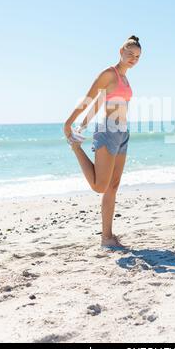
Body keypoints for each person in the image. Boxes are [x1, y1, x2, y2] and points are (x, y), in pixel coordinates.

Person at [64, 35, 141, 249]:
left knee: (113, 187)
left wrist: (83, 126)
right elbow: (89, 100)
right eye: (130, 54)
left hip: (123, 133)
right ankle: (76, 148)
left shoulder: (125, 79)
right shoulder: (109, 73)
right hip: (107, 131)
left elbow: (100, 103)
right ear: (120, 51)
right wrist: (69, 123)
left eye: (137, 56)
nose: (133, 58)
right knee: (100, 186)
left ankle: (107, 237)